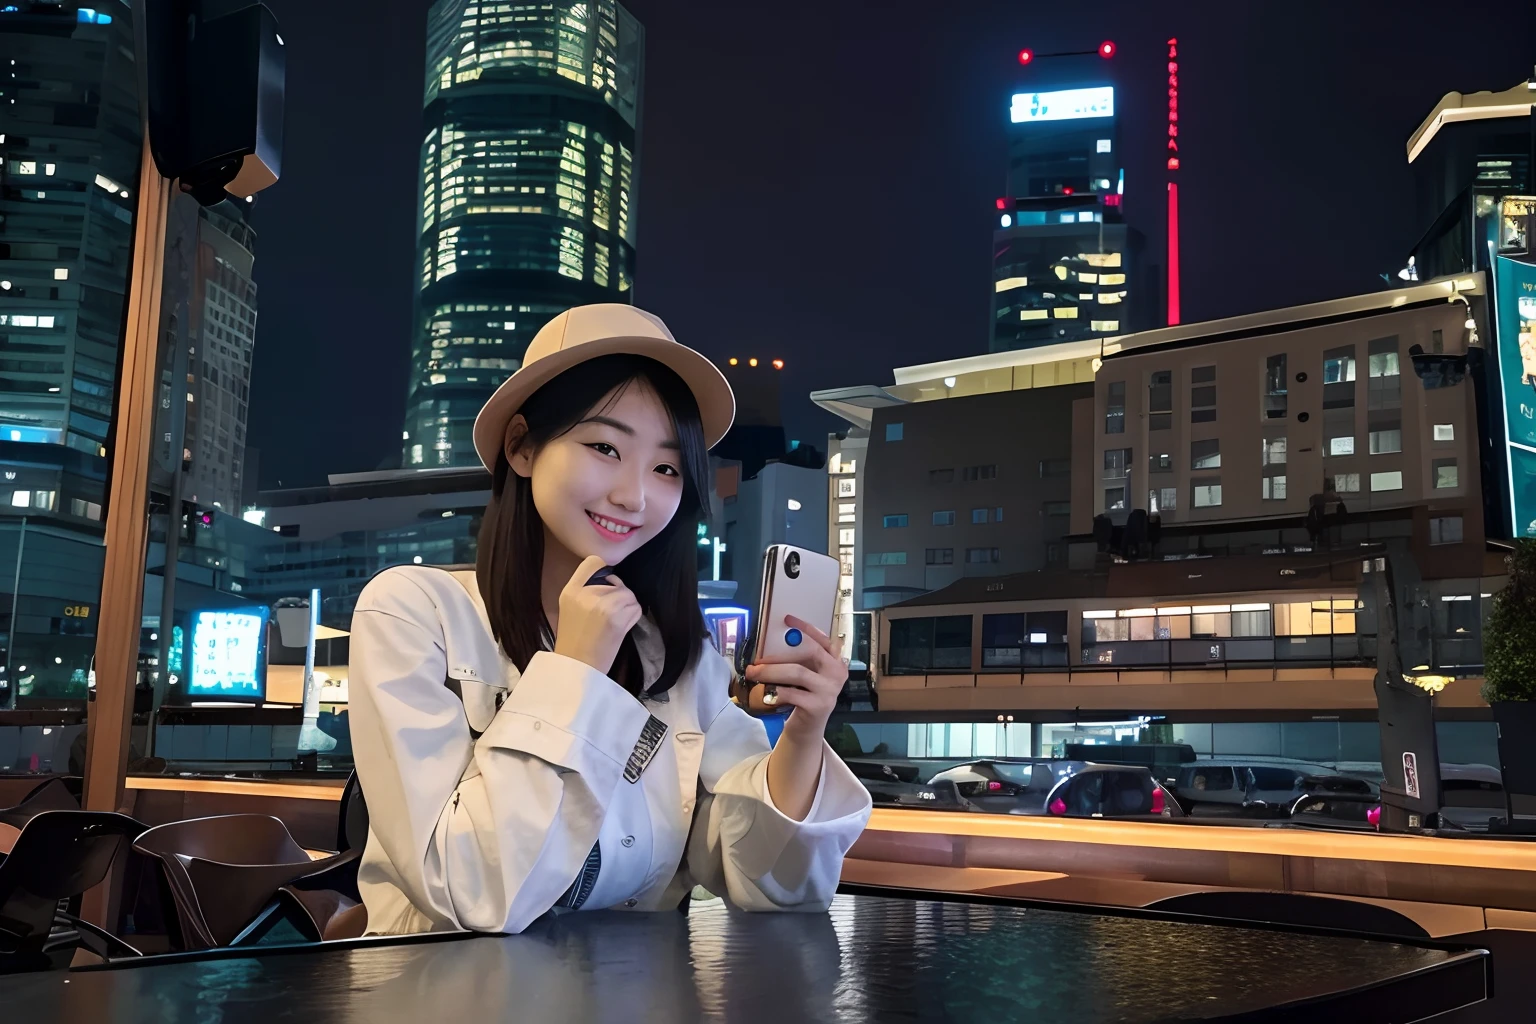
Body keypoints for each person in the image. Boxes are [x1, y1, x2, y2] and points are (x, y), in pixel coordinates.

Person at [348, 304, 872, 936]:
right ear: (521, 447)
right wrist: (575, 669)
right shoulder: (414, 611)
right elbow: (469, 893)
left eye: (666, 468)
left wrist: (805, 734)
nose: (635, 495)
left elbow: (768, 884)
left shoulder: (676, 656)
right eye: (604, 447)